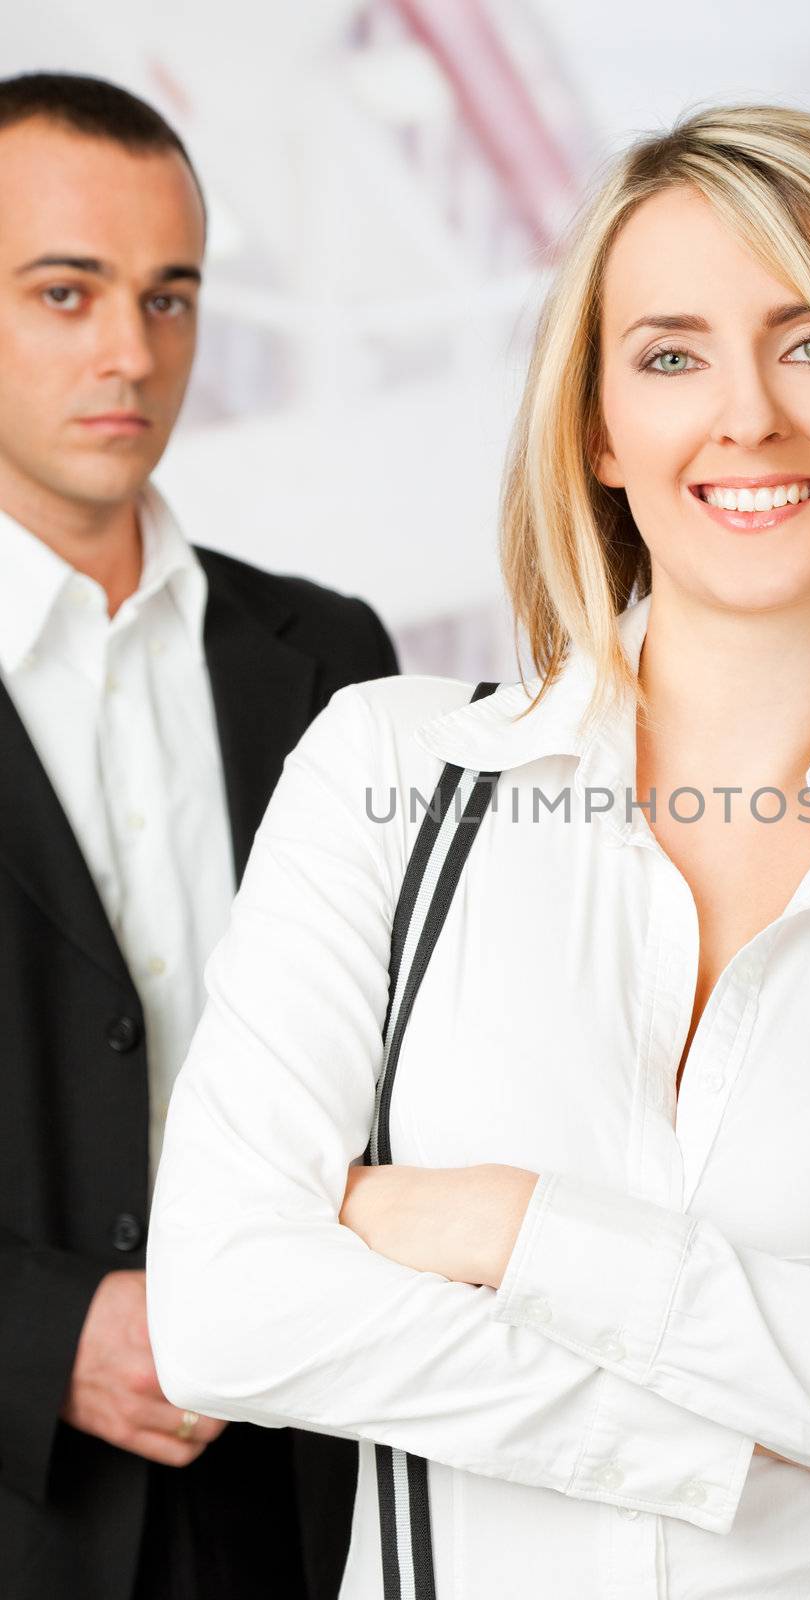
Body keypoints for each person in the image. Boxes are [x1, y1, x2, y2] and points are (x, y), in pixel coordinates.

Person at [146, 103, 810, 1599]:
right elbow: (226, 1313)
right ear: (601, 431)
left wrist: (500, 1227)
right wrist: (808, 1398)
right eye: (672, 354)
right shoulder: (392, 771)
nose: (745, 415)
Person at [0, 72, 399, 1600]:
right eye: (65, 292)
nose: (130, 352)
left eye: (171, 298)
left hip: (302, 1501)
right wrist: (44, 1335)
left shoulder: (332, 658)